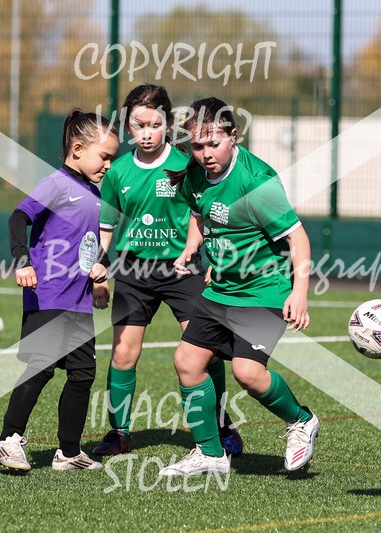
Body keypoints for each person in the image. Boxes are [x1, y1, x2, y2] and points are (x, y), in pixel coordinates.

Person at [157, 97, 319, 477]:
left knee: (248, 374)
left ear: (234, 136)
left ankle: (301, 421)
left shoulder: (256, 183)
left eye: (214, 144)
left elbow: (298, 239)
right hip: (221, 290)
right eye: (197, 146)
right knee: (187, 363)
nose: (205, 153)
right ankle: (210, 453)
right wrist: (191, 249)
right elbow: (200, 214)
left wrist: (299, 293)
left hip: (265, 290)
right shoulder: (195, 173)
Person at [91, 84, 243, 457]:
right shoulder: (117, 172)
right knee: (123, 354)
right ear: (128, 127)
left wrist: (207, 258)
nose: (147, 133)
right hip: (132, 273)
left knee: (203, 350)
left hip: (182, 270)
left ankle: (221, 426)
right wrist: (99, 270)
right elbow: (106, 229)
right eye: (139, 125)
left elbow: (201, 214)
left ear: (168, 124)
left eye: (155, 125)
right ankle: (119, 432)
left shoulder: (184, 165)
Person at [0, 109, 119, 472]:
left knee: (82, 374)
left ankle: (69, 452)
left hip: (78, 303)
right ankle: (8, 440)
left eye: (112, 158)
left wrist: (100, 273)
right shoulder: (56, 184)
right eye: (104, 156)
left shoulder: (94, 194)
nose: (108, 164)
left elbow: (90, 244)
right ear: (77, 149)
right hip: (47, 295)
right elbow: (18, 218)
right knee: (41, 367)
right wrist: (23, 261)